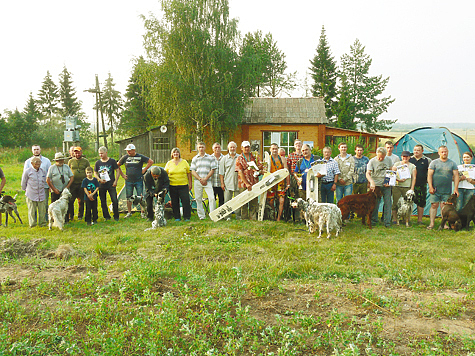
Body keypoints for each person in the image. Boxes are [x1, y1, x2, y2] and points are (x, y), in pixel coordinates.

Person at [427, 145, 459, 230]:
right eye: (442, 152)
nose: (444, 153)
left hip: (447, 190)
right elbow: (429, 175)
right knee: (434, 205)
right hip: (435, 189)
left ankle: (444, 224)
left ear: (448, 152)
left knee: (444, 207)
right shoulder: (434, 162)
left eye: (445, 152)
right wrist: (430, 187)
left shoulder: (452, 163)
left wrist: (455, 188)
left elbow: (456, 176)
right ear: (439, 153)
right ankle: (431, 224)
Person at [118, 143, 154, 218]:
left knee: (140, 196)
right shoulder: (125, 157)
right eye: (127, 151)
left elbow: (151, 161)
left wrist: (144, 169)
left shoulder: (140, 157)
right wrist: (123, 175)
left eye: (129, 151)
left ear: (134, 150)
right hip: (129, 180)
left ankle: (142, 213)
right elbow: (117, 165)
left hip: (139, 179)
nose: (128, 152)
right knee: (129, 197)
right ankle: (129, 212)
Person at [235, 140, 263, 220]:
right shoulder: (239, 158)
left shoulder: (255, 156)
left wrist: (257, 168)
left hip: (254, 182)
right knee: (244, 201)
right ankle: (244, 218)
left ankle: (253, 217)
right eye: (245, 147)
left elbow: (261, 165)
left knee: (253, 201)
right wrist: (246, 183)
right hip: (243, 184)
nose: (247, 149)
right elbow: (240, 172)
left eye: (248, 147)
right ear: (241, 148)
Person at [366, 147, 393, 228]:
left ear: (385, 155)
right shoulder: (372, 161)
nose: (380, 158)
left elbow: (391, 170)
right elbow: (368, 173)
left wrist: (389, 181)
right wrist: (372, 182)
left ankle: (387, 222)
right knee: (375, 203)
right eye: (379, 157)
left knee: (388, 203)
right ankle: (374, 220)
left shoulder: (388, 160)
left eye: (382, 157)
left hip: (386, 185)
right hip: (376, 185)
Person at [190, 142, 217, 220]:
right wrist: (200, 179)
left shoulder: (210, 158)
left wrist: (206, 178)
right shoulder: (195, 158)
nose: (201, 149)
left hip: (207, 181)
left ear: (205, 148)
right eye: (199, 147)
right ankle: (201, 216)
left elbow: (212, 169)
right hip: (197, 181)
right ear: (197, 148)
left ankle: (212, 215)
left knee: (212, 198)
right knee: (198, 198)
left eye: (202, 147)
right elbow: (193, 171)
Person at [24, 145, 51, 221]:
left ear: (40, 150)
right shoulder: (28, 162)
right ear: (32, 151)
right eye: (34, 149)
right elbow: (25, 176)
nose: (36, 151)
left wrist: (50, 186)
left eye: (37, 149)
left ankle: (44, 220)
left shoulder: (46, 161)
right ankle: (33, 221)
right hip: (32, 188)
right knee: (32, 206)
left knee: (44, 205)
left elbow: (49, 174)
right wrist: (25, 188)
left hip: (44, 187)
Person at [165, 148, 192, 221]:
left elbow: (189, 173)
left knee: (186, 201)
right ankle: (177, 217)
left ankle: (187, 217)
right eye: (174, 153)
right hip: (172, 185)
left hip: (183, 185)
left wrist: (190, 184)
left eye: (177, 152)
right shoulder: (169, 163)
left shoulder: (184, 162)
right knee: (174, 202)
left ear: (179, 154)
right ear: (172, 154)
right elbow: (165, 174)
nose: (176, 154)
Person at [94, 146, 120, 221]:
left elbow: (117, 170)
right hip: (102, 185)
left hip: (111, 184)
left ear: (106, 152)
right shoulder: (98, 163)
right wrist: (99, 179)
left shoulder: (112, 161)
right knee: (103, 201)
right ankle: (106, 216)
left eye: (102, 153)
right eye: (99, 154)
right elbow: (95, 173)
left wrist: (116, 181)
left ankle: (116, 216)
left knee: (114, 200)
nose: (101, 155)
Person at [47, 152, 74, 223]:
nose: (61, 161)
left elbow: (71, 177)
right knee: (54, 206)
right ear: (56, 160)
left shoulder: (66, 167)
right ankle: (54, 221)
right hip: (55, 190)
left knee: (65, 206)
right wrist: (54, 189)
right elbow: (48, 180)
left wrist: (67, 187)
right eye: (59, 160)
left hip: (65, 191)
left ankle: (66, 220)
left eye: (62, 160)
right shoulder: (52, 168)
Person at [21, 157, 47, 227]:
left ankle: (42, 223)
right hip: (31, 194)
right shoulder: (27, 171)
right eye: (36, 162)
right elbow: (23, 182)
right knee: (32, 211)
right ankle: (32, 224)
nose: (38, 164)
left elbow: (45, 181)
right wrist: (25, 190)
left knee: (42, 210)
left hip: (41, 194)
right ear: (32, 163)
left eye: (39, 162)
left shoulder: (43, 171)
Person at [391, 151, 417, 224]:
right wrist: (398, 179)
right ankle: (395, 219)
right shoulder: (396, 164)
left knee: (408, 205)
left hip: (407, 187)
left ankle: (406, 220)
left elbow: (414, 178)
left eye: (406, 156)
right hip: (397, 186)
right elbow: (392, 174)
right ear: (401, 157)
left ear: (409, 157)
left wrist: (412, 189)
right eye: (403, 156)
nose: (405, 158)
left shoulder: (412, 166)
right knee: (396, 203)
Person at [409, 144, 432, 224]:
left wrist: (430, 184)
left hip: (422, 184)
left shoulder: (427, 160)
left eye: (418, 150)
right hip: (410, 184)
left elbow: (430, 173)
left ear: (422, 151)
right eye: (415, 150)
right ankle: (407, 219)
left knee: (421, 202)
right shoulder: (409, 159)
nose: (416, 151)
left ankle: (420, 220)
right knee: (408, 201)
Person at [267, 143, 290, 221]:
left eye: (276, 149)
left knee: (282, 200)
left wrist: (288, 183)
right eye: (273, 149)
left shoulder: (282, 159)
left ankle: (279, 218)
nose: (274, 150)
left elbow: (286, 171)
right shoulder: (267, 159)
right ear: (270, 149)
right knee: (271, 201)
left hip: (281, 182)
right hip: (271, 182)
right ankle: (273, 213)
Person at [68, 147, 90, 221]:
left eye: (78, 152)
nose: (77, 154)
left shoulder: (85, 161)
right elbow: (68, 171)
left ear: (81, 152)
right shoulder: (70, 161)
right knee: (71, 200)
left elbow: (88, 171)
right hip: (73, 184)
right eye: (75, 153)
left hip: (82, 183)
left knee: (81, 201)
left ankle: (80, 215)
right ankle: (71, 216)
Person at [219, 141, 240, 219]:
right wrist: (222, 183)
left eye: (234, 147)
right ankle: (227, 216)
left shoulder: (239, 157)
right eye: (231, 147)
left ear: (236, 148)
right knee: (227, 200)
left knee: (238, 200)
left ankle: (238, 215)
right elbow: (221, 173)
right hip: (228, 182)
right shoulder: (224, 159)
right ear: (228, 148)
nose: (232, 148)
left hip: (238, 183)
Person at [211, 142, 224, 207]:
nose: (217, 149)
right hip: (212, 183)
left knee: (222, 199)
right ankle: (212, 213)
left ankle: (220, 214)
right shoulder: (210, 158)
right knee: (212, 199)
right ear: (213, 149)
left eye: (218, 147)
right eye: (215, 147)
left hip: (221, 183)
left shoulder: (224, 158)